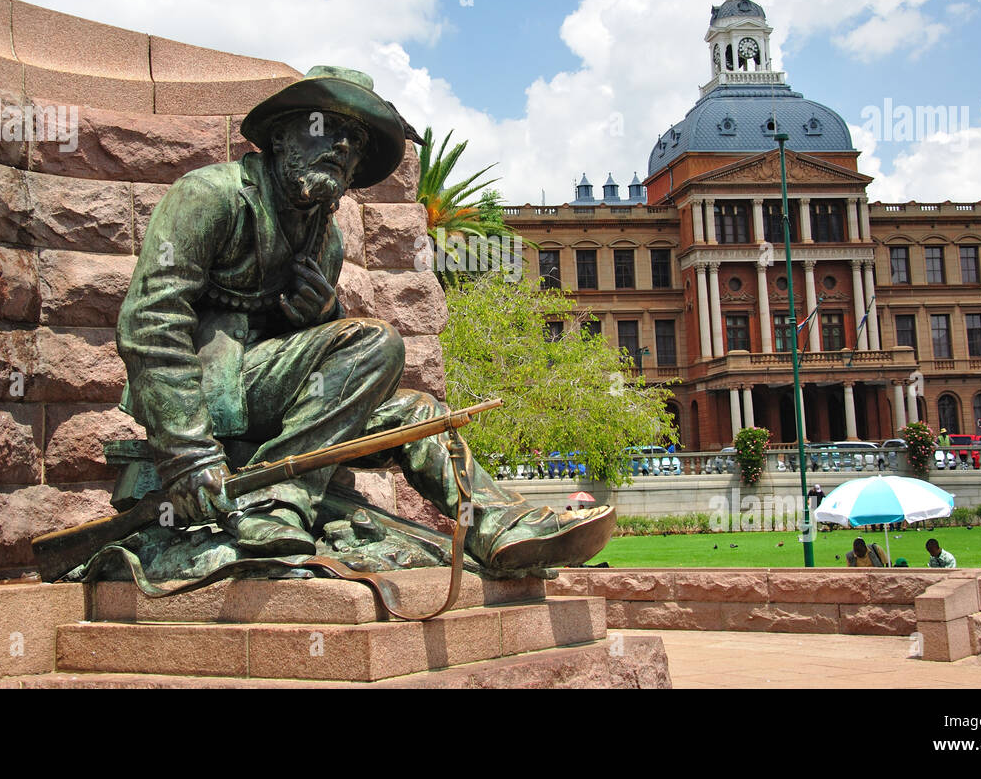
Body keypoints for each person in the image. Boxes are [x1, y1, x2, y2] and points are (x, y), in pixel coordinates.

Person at [115, 65, 614, 577]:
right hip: (207, 391)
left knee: (420, 413)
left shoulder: (326, 241)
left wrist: (320, 317)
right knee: (380, 342)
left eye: (353, 140)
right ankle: (276, 502)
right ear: (282, 137)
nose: (340, 147)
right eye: (322, 128)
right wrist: (187, 452)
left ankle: (499, 526)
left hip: (265, 399)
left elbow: (317, 374)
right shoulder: (210, 195)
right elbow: (150, 321)